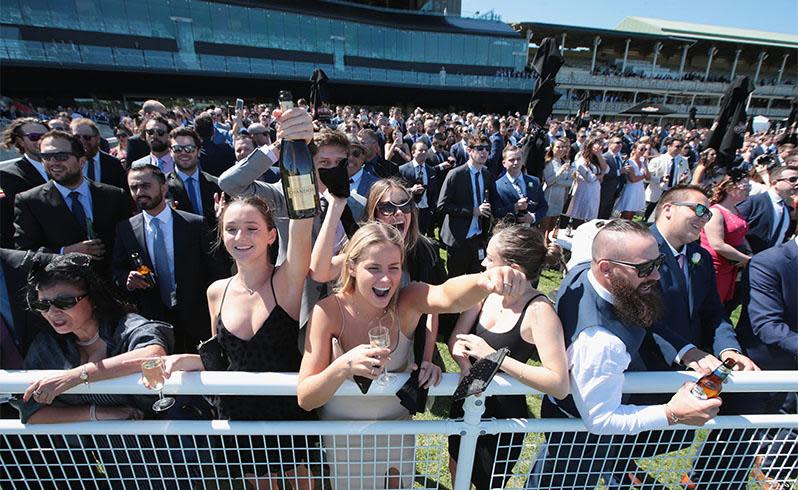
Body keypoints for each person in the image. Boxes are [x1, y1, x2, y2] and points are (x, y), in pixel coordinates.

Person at [297, 222, 526, 489]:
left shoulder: (407, 301)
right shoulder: (328, 312)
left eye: (393, 268)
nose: (386, 279)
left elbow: (447, 295)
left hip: (397, 432)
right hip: (342, 438)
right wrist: (343, 367)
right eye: (373, 268)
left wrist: (484, 280)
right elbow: (307, 398)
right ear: (351, 267)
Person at [531, 220, 722, 489]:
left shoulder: (582, 273)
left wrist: (686, 351)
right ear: (606, 268)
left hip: (566, 428)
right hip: (582, 446)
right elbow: (600, 420)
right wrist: (672, 413)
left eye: (659, 262)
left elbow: (641, 312)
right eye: (645, 269)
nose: (656, 275)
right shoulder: (601, 343)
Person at [160, 194, 317, 489]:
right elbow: (226, 359)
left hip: (287, 420)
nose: (240, 236)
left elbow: (301, 224)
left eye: (252, 228)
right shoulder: (216, 292)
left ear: (272, 235)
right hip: (237, 421)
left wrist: (297, 152)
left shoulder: (286, 281)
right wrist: (186, 361)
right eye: (231, 228)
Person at [12, 253, 175, 483]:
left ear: (93, 298)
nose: (52, 312)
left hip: (168, 452)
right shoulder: (48, 346)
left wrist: (76, 376)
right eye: (42, 304)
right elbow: (31, 412)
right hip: (105, 463)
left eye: (64, 302)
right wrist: (99, 413)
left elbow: (153, 354)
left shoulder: (126, 325)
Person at [447, 223, 568, 489]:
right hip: (467, 399)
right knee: (457, 473)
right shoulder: (485, 292)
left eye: (490, 259)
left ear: (512, 268)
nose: (483, 264)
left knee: (486, 483)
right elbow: (456, 338)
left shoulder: (540, 311)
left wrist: (493, 357)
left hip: (503, 420)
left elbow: (559, 384)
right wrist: (464, 362)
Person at [310, 178, 448, 387]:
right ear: (374, 213)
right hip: (358, 342)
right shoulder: (363, 248)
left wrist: (426, 359)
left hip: (404, 346)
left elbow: (431, 311)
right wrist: (335, 208)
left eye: (405, 205)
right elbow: (320, 272)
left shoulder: (424, 250)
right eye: (388, 207)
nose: (399, 213)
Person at [112, 162, 225, 354]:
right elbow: (116, 270)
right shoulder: (127, 229)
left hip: (196, 317)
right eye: (134, 188)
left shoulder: (194, 224)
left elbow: (215, 270)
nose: (140, 192)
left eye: (146, 186)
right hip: (154, 320)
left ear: (163, 188)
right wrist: (127, 279)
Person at [13, 131, 129, 271]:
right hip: (64, 286)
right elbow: (25, 255)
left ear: (81, 162)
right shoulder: (29, 202)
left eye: (61, 156)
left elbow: (128, 243)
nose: (53, 162)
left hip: (113, 285)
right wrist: (65, 252)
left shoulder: (114, 195)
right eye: (46, 157)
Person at [436, 134, 497, 278]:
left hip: (478, 238)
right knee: (455, 282)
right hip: (458, 239)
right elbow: (442, 206)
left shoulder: (486, 174)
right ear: (470, 150)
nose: (484, 152)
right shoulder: (455, 174)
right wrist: (472, 211)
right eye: (480, 148)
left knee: (475, 281)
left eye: (488, 149)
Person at [699, 173, 752, 310]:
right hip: (715, 268)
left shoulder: (735, 210)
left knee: (721, 305)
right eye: (745, 186)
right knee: (710, 305)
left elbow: (741, 235)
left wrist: (749, 252)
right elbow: (717, 245)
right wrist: (748, 260)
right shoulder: (715, 212)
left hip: (731, 266)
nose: (749, 189)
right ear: (729, 189)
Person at [0, 117, 50, 248]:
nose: (41, 141)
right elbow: (6, 224)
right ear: (20, 141)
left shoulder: (72, 165)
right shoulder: (8, 177)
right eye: (34, 136)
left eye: (46, 136)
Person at [737, 164, 797, 254]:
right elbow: (733, 227)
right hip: (746, 259)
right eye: (792, 180)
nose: (797, 183)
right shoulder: (754, 201)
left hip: (769, 261)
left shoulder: (786, 209)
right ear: (774, 182)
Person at [492, 146, 548, 225]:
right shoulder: (497, 186)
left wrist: (533, 218)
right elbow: (496, 212)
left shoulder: (535, 181)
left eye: (518, 159)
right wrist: (515, 207)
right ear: (504, 163)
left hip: (530, 231)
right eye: (511, 160)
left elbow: (543, 206)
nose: (516, 162)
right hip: (510, 232)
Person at [566, 137, 604, 228]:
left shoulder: (594, 159)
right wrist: (600, 176)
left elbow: (605, 169)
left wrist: (599, 156)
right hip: (585, 190)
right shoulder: (581, 160)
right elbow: (590, 178)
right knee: (582, 213)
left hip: (595, 190)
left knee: (592, 213)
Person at [540, 137, 573, 243]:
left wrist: (558, 182)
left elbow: (570, 181)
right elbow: (549, 182)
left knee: (553, 226)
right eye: (558, 147)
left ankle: (549, 245)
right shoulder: (548, 162)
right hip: (549, 197)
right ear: (552, 148)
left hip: (560, 197)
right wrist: (560, 171)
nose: (561, 149)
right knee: (544, 225)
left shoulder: (564, 162)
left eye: (563, 147)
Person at [614, 141, 650, 220]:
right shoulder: (629, 162)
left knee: (632, 214)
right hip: (631, 190)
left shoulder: (643, 162)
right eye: (641, 149)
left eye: (645, 149)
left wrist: (645, 165)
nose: (643, 151)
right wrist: (643, 176)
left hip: (639, 189)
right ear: (635, 150)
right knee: (626, 213)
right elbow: (633, 179)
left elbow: (648, 177)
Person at [598, 135, 625, 219]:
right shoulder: (605, 157)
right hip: (605, 190)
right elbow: (604, 173)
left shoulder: (619, 157)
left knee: (607, 214)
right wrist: (619, 172)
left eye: (621, 143)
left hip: (614, 191)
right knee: (600, 213)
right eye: (617, 143)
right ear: (610, 144)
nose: (620, 145)